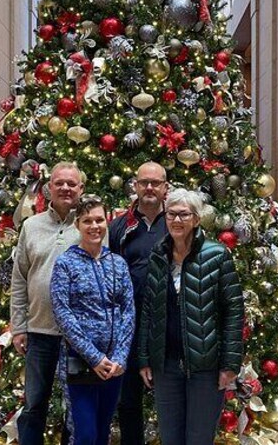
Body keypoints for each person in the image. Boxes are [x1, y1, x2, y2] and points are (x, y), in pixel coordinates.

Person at [137, 189, 244, 445]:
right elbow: (149, 309)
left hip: (205, 366)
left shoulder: (217, 255)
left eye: (184, 214)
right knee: (171, 437)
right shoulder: (158, 255)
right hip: (166, 365)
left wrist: (230, 364)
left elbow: (233, 311)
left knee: (198, 437)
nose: (176, 220)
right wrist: (144, 358)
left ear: (196, 219)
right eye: (171, 214)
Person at [51, 195, 135, 445]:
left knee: (102, 430)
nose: (94, 226)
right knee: (84, 433)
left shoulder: (117, 263)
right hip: (81, 362)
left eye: (99, 220)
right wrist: (94, 357)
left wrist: (120, 356)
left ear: (107, 222)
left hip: (114, 365)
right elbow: (62, 313)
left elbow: (128, 310)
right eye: (87, 221)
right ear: (77, 225)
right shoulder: (66, 263)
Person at [10, 162, 84, 445]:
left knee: (74, 406)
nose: (65, 188)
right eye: (59, 183)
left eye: (72, 184)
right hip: (39, 332)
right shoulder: (31, 226)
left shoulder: (90, 226)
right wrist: (19, 327)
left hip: (77, 335)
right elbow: (19, 280)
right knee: (34, 403)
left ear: (81, 189)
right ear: (49, 187)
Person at [108, 162, 168, 445]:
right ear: (135, 185)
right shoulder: (119, 227)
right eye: (144, 182)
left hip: (167, 325)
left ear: (165, 187)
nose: (149, 188)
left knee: (170, 397)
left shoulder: (177, 222)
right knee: (129, 398)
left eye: (155, 183)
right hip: (129, 326)